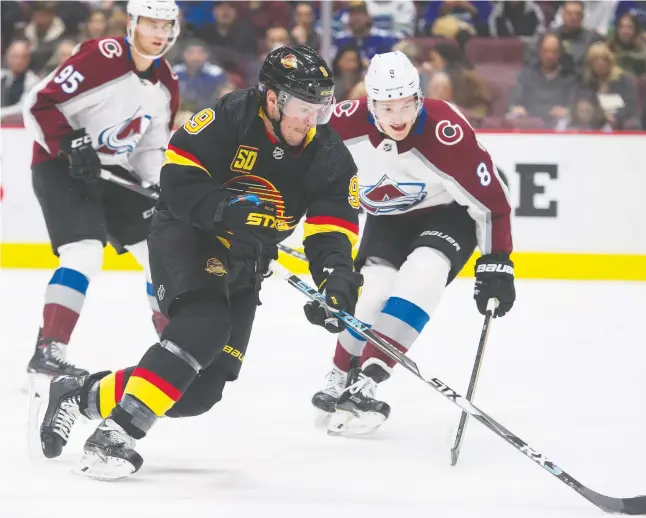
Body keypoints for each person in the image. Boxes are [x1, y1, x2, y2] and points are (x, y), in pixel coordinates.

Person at [34, 45, 362, 480]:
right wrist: (225, 210)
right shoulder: (230, 117)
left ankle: (81, 395)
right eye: (303, 107)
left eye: (321, 108)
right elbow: (177, 180)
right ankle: (116, 433)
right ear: (271, 99)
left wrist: (336, 281)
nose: (311, 120)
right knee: (205, 325)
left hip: (247, 257)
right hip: (189, 234)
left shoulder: (330, 155)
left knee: (202, 389)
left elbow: (330, 229)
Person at [312, 51, 515, 436]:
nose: (399, 117)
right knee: (369, 295)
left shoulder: (444, 129)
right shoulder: (337, 125)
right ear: (370, 104)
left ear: (418, 98)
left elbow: (493, 202)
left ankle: (368, 381)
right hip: (387, 217)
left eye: (407, 104)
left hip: (447, 216)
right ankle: (339, 374)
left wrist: (496, 263)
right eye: (387, 108)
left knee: (425, 271)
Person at [22, 0, 181, 377]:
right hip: (60, 166)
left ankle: (177, 348)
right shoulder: (102, 58)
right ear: (132, 23)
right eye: (150, 23)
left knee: (160, 250)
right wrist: (68, 143)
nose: (158, 34)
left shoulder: (167, 83)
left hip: (114, 171)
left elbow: (148, 148)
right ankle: (49, 350)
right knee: (85, 253)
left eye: (165, 25)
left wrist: (163, 184)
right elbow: (39, 105)